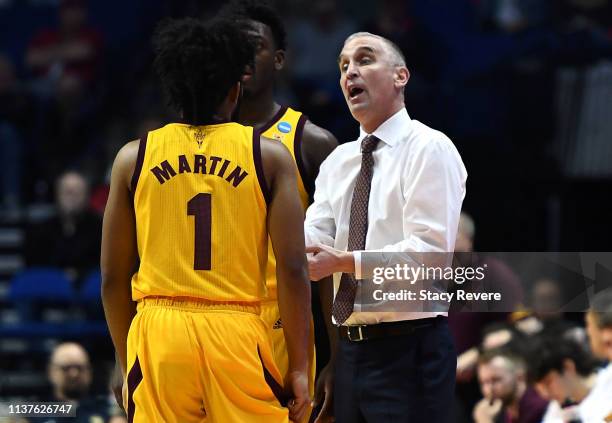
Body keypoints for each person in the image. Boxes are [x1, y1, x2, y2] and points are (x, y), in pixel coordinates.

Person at [101, 17, 311, 423]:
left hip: (159, 333)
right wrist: (300, 367)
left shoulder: (133, 157)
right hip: (236, 331)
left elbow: (113, 276)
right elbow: (292, 267)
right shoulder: (268, 156)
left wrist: (126, 358)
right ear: (235, 89)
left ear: (172, 90)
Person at [304, 31, 467, 422]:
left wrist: (346, 262)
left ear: (400, 76)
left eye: (364, 60)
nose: (350, 73)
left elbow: (429, 254)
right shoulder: (339, 161)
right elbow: (312, 237)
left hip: (410, 349)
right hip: (350, 351)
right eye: (343, 65)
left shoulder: (429, 147)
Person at [219, 1, 338, 420]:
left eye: (255, 46)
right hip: (211, 325)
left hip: (284, 329)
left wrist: (337, 358)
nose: (243, 56)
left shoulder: (313, 143)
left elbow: (333, 264)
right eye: (232, 47)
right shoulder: (191, 141)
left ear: (280, 59)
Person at [25, 170, 102, 283]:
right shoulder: (40, 230)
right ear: (57, 195)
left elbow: (103, 264)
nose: (72, 198)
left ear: (86, 197)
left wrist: (79, 273)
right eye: (67, 192)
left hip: (92, 293)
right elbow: (33, 263)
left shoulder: (101, 228)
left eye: (77, 193)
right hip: (48, 290)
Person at [530, 337, 612, 423]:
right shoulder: (555, 410)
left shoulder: (608, 381)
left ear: (568, 367)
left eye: (548, 382)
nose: (546, 394)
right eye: (541, 388)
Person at [42, 342, 112, 422]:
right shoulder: (35, 410)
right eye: (66, 368)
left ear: (89, 371)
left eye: (80, 368)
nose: (74, 374)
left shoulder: (108, 409)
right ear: (51, 371)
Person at [473, 349, 548, 423]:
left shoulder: (540, 408)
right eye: (484, 382)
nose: (490, 389)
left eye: (496, 380)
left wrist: (485, 421)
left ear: (520, 377)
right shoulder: (502, 413)